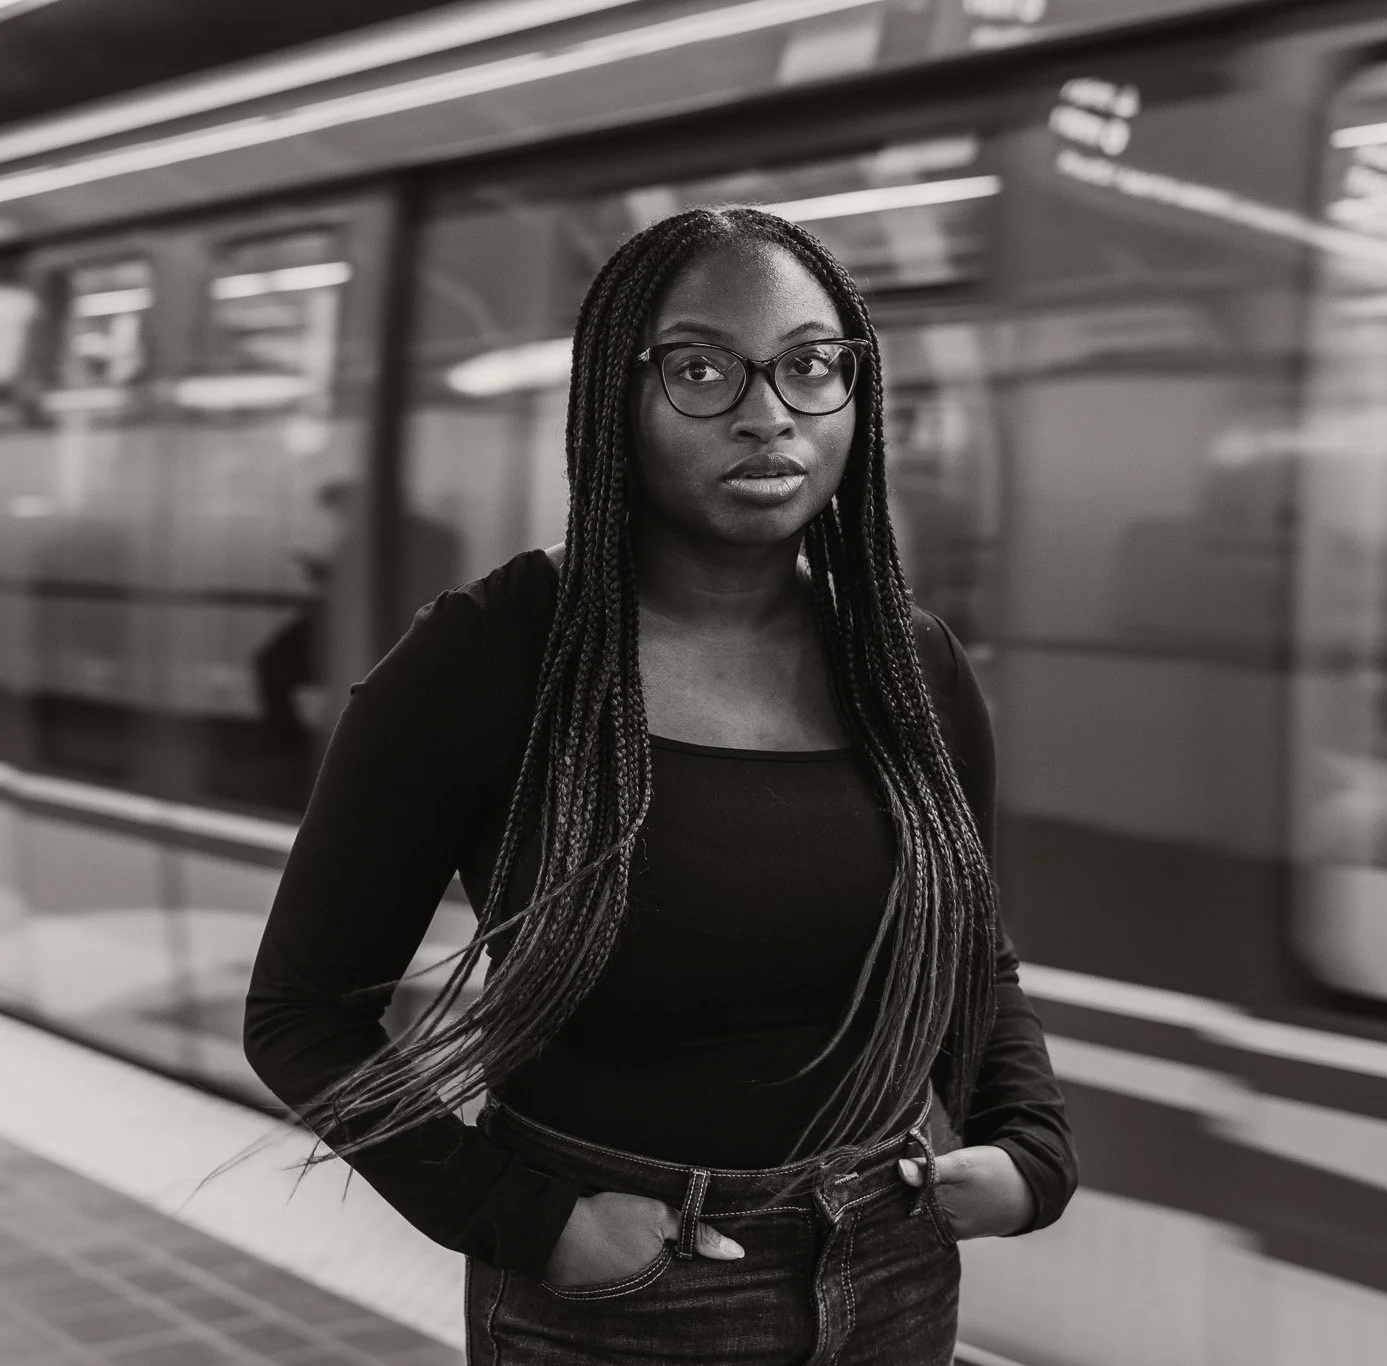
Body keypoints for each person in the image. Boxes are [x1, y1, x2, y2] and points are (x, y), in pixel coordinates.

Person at [244, 207, 1075, 1365]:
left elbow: (964, 947)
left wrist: (1029, 1143)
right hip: (624, 1292)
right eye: (699, 369)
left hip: (887, 1260)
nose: (766, 412)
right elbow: (299, 1016)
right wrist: (531, 1224)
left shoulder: (906, 660)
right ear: (610, 401)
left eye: (810, 366)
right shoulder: (488, 657)